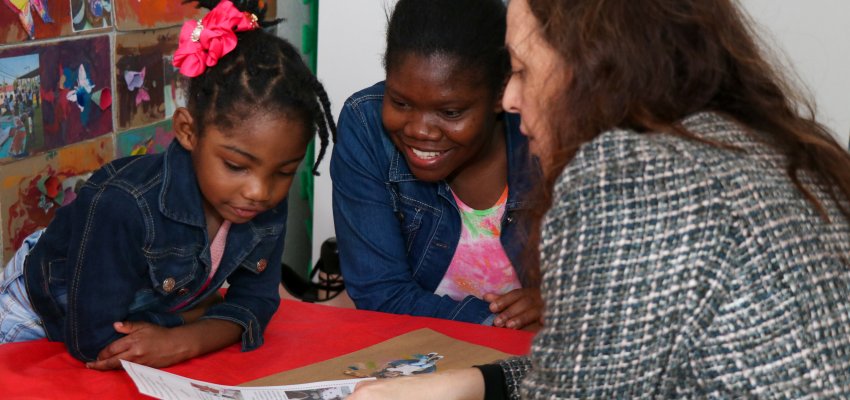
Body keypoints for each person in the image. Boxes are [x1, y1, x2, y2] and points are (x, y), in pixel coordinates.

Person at [349, 0, 850, 398]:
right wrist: (478, 383)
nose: (509, 100)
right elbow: (613, 363)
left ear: (589, 67)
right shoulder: (754, 144)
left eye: (521, 71)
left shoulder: (628, 177)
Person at [0, 0, 335, 370]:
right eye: (236, 165)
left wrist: (186, 339)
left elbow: (257, 302)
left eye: (284, 172)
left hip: (147, 310)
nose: (260, 191)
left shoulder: (264, 195)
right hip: (37, 312)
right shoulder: (122, 206)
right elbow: (93, 341)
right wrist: (194, 319)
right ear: (188, 131)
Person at [330, 0, 542, 329]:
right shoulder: (365, 124)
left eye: (450, 112)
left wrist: (562, 303)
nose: (419, 130)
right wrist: (502, 324)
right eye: (400, 102)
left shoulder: (545, 131)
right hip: (422, 358)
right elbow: (381, 293)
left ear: (502, 93)